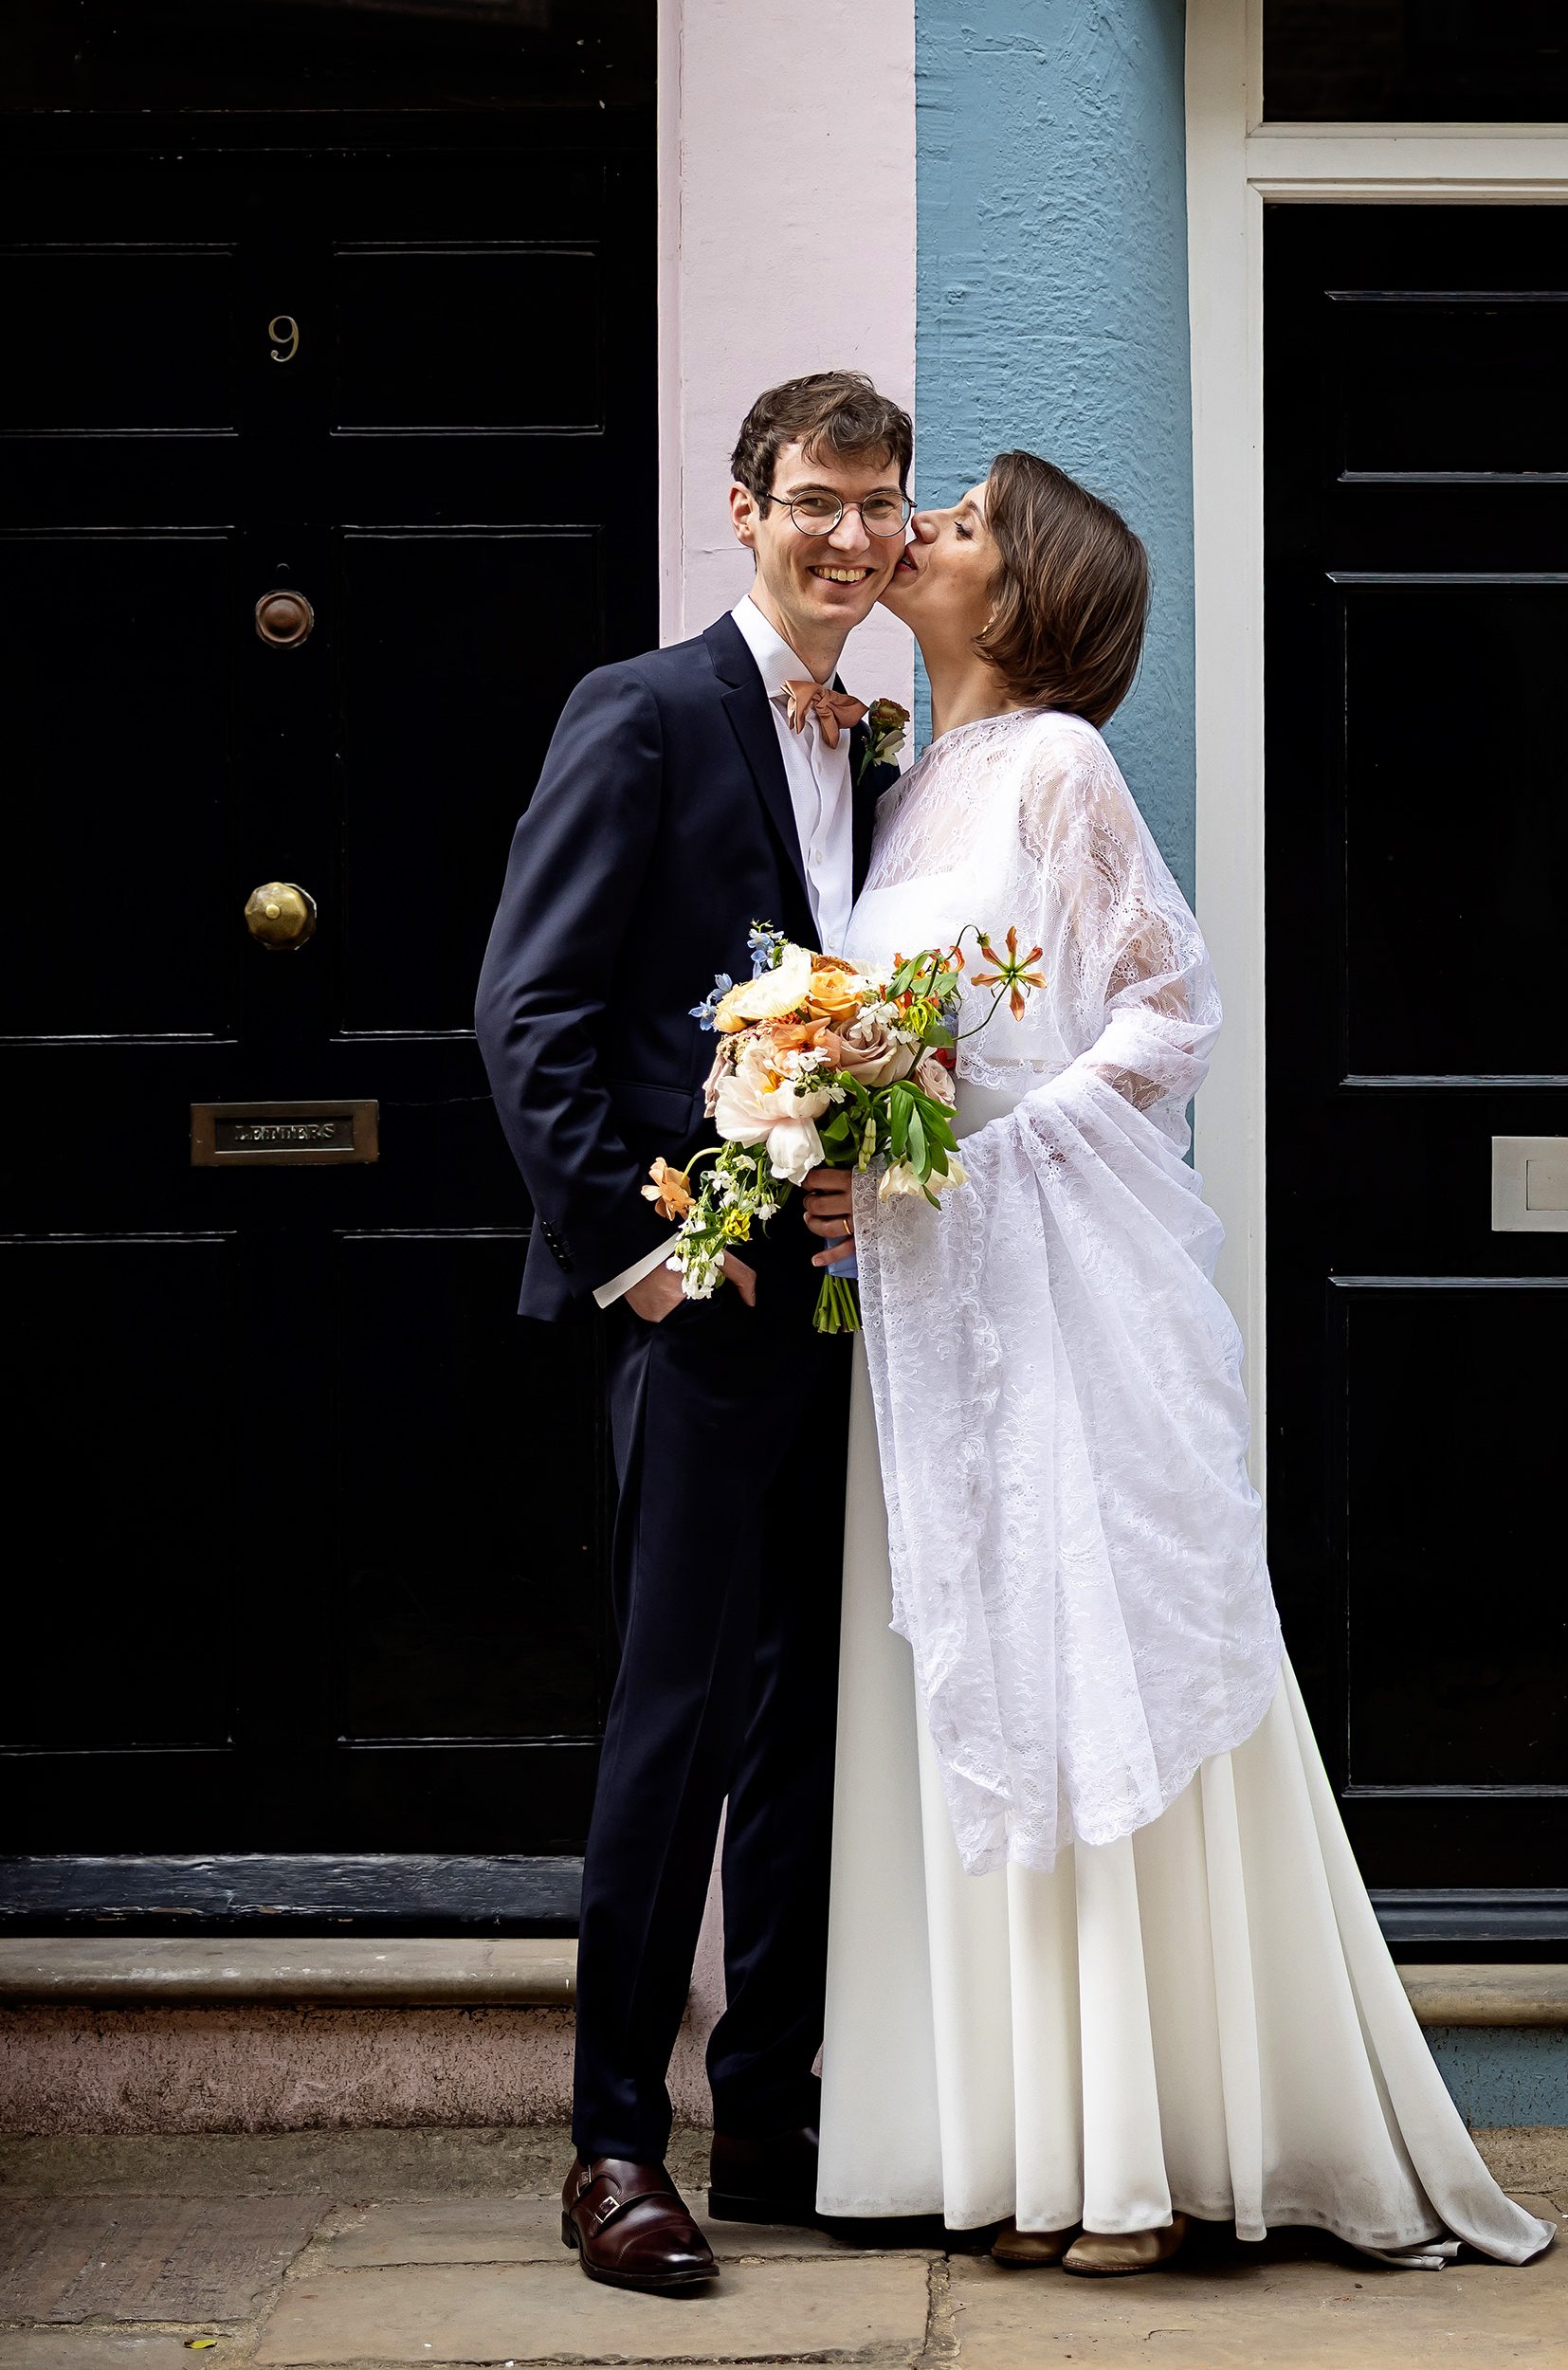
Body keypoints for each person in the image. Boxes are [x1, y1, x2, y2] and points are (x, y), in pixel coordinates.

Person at [799, 452, 1555, 2278]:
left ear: (1025, 591)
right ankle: (1004, 2142)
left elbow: (1168, 1014)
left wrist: (971, 1164)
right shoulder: (902, 787)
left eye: (960, 523)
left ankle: (1132, 2160)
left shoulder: (1054, 762)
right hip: (923, 1310)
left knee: (1083, 1661)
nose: (921, 538)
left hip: (1042, 1292)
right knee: (967, 1675)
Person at [475, 371, 913, 2292]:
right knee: (669, 1723)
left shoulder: (884, 753)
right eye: (814, 498)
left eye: (877, 505)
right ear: (744, 509)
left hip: (843, 1315)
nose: (848, 536)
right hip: (693, 1311)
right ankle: (610, 2142)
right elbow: (532, 1010)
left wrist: (872, 1168)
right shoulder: (643, 712)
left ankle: (778, 2114)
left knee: (806, 1725)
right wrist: (638, 1261)